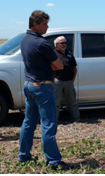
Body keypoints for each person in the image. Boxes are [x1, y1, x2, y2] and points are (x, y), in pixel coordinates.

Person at [19, 10, 71, 170]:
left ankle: (24, 155)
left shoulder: (24, 40)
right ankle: (53, 161)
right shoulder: (42, 43)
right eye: (44, 24)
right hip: (43, 86)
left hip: (29, 85)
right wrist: (51, 65)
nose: (47, 27)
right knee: (48, 124)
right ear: (35, 24)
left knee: (28, 123)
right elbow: (60, 65)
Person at [53, 36, 80, 123]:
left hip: (69, 81)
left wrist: (73, 78)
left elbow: (74, 67)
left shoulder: (69, 53)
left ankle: (76, 119)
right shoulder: (53, 54)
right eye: (61, 43)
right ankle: (54, 121)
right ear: (56, 45)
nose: (64, 44)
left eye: (65, 43)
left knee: (72, 101)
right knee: (56, 102)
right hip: (57, 81)